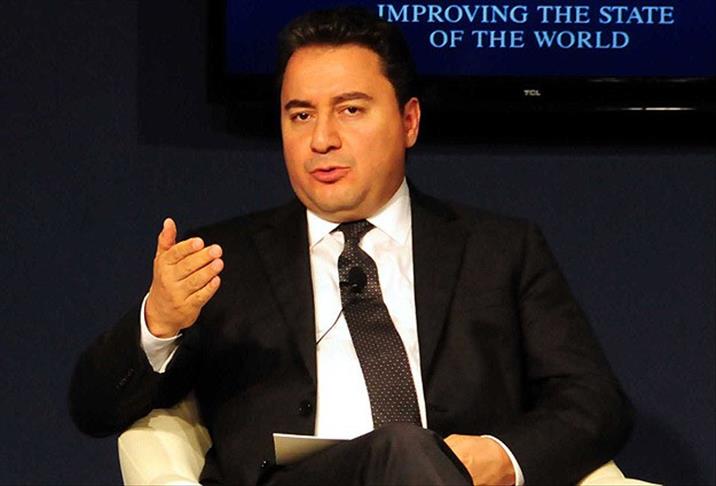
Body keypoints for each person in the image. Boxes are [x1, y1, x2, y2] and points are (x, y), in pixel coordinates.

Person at [69, 7, 632, 485]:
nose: (321, 139)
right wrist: (159, 322)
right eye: (301, 115)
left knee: (410, 451)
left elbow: (595, 401)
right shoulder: (224, 260)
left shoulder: (500, 250)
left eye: (350, 109)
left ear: (409, 121)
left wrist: (501, 458)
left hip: (449, 477)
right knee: (400, 446)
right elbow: (93, 409)